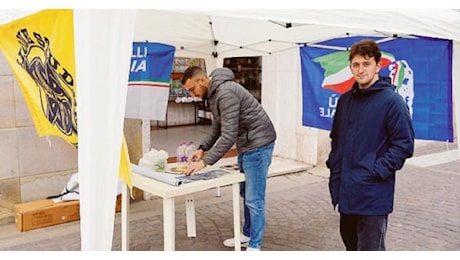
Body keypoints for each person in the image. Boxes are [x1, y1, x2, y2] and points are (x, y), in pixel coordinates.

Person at [326, 39, 415, 251]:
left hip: (373, 194)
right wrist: (334, 166)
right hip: (346, 191)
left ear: (378, 65)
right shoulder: (345, 100)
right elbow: (336, 138)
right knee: (351, 246)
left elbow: (404, 145)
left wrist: (376, 170)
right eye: (356, 65)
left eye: (366, 64)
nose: (361, 69)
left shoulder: (392, 101)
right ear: (350, 68)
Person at [181, 66, 276, 251]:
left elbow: (228, 135)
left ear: (202, 80)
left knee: (254, 199)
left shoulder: (225, 93)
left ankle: (255, 246)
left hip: (258, 144)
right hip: (248, 143)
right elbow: (218, 126)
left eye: (192, 89)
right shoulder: (214, 93)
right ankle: (247, 235)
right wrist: (202, 148)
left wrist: (204, 162)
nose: (193, 94)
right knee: (245, 193)